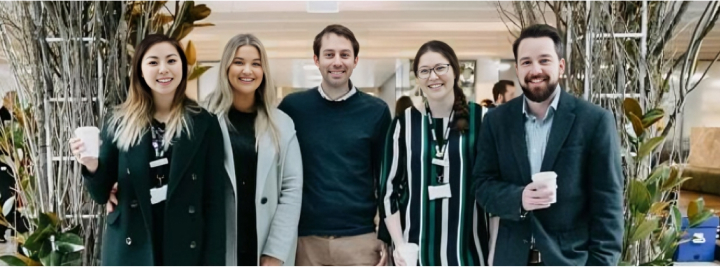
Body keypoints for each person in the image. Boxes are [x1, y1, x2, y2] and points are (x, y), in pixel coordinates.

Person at [69, 34, 226, 265]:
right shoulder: (119, 121)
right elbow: (102, 194)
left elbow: (213, 200)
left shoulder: (204, 123)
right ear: (140, 71)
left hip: (185, 245)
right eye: (153, 62)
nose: (164, 69)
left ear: (183, 66)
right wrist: (91, 165)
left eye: (172, 60)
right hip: (131, 247)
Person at [473, 24, 623, 266]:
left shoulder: (594, 120)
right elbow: (482, 185)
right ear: (518, 68)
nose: (535, 70)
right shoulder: (497, 121)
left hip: (570, 260)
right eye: (526, 62)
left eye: (544, 60)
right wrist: (518, 198)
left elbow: (608, 203)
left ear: (560, 66)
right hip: (511, 259)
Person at [278, 24, 391, 266]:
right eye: (329, 55)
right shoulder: (293, 108)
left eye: (344, 55)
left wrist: (386, 235)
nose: (337, 62)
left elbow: (385, 178)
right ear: (316, 60)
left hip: (360, 239)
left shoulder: (376, 111)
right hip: (305, 241)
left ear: (355, 60)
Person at [380, 40, 490, 266]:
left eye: (440, 68)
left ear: (455, 70)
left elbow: (494, 187)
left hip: (470, 253)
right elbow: (388, 189)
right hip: (416, 254)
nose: (433, 76)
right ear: (417, 79)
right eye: (424, 71)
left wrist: (493, 256)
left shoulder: (482, 119)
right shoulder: (404, 123)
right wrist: (399, 245)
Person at [203, 33, 303, 266]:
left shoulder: (282, 123)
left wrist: (276, 251)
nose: (247, 70)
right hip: (218, 244)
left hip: (266, 243)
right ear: (226, 67)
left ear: (264, 71)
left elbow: (292, 189)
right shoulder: (204, 119)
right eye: (239, 62)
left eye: (256, 64)